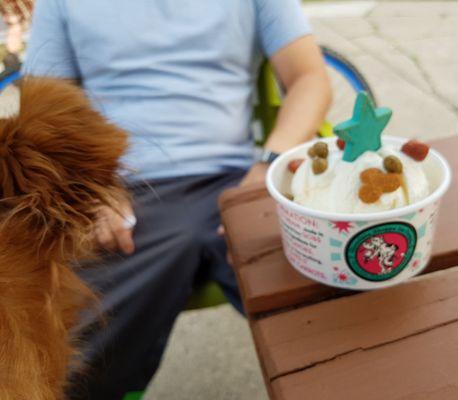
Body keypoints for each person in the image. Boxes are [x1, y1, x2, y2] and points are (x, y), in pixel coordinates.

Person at [23, 0, 332, 398]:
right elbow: (42, 107)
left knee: (335, 303)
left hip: (239, 179)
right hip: (124, 189)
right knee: (67, 355)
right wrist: (91, 186)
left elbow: (310, 79)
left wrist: (268, 170)